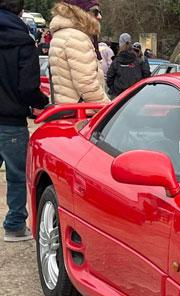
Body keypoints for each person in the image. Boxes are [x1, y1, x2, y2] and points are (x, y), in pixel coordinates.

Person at [0, 0, 49, 241]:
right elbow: (28, 87)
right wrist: (42, 102)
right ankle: (15, 225)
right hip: (11, 120)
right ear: (20, 11)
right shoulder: (24, 41)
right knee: (17, 176)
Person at [48, 0, 108, 104]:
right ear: (80, 12)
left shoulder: (62, 34)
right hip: (82, 112)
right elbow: (88, 87)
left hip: (68, 109)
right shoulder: (76, 38)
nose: (99, 17)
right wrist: (111, 110)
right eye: (95, 12)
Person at [106, 34, 149, 98]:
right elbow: (146, 74)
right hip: (135, 94)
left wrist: (115, 90)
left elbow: (109, 77)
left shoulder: (117, 60)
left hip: (119, 95)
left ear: (120, 44)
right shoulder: (138, 60)